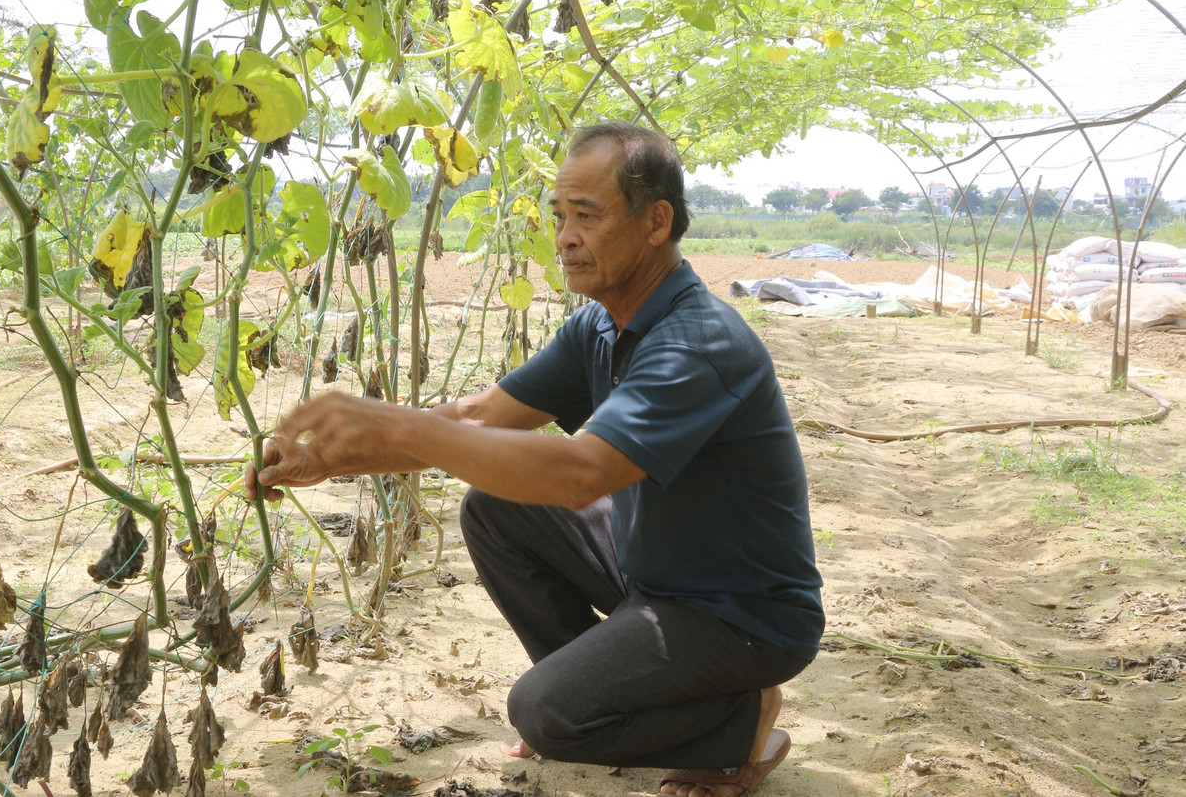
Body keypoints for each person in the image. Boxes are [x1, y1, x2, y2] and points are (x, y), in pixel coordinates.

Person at [248, 122, 824, 797]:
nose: (565, 237)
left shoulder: (696, 342)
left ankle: (735, 720)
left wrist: (394, 421)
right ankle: (620, 703)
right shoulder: (599, 326)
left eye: (588, 216)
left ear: (656, 222)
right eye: (559, 217)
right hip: (656, 575)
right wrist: (325, 462)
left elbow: (583, 474)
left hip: (742, 615)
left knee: (543, 711)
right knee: (495, 506)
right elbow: (472, 419)